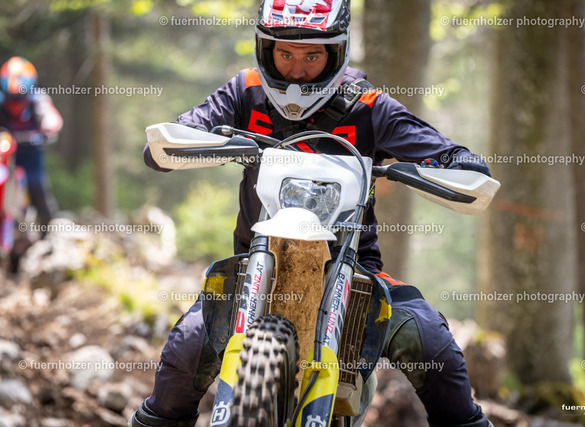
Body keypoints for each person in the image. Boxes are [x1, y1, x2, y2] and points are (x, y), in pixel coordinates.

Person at [132, 1, 493, 426]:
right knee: (184, 352)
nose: (297, 70)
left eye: (312, 56)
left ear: (335, 53)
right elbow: (175, 138)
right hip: (256, 267)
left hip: (354, 270)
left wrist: (458, 165)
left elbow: (452, 156)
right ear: (266, 49)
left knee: (432, 345)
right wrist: (182, 141)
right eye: (285, 54)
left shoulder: (369, 105)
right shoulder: (245, 90)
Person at [0, 56, 62, 230]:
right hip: (5, 157)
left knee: (37, 186)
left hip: (31, 154)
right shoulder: (1, 101)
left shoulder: (37, 99)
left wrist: (48, 127)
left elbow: (50, 117)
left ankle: (49, 227)